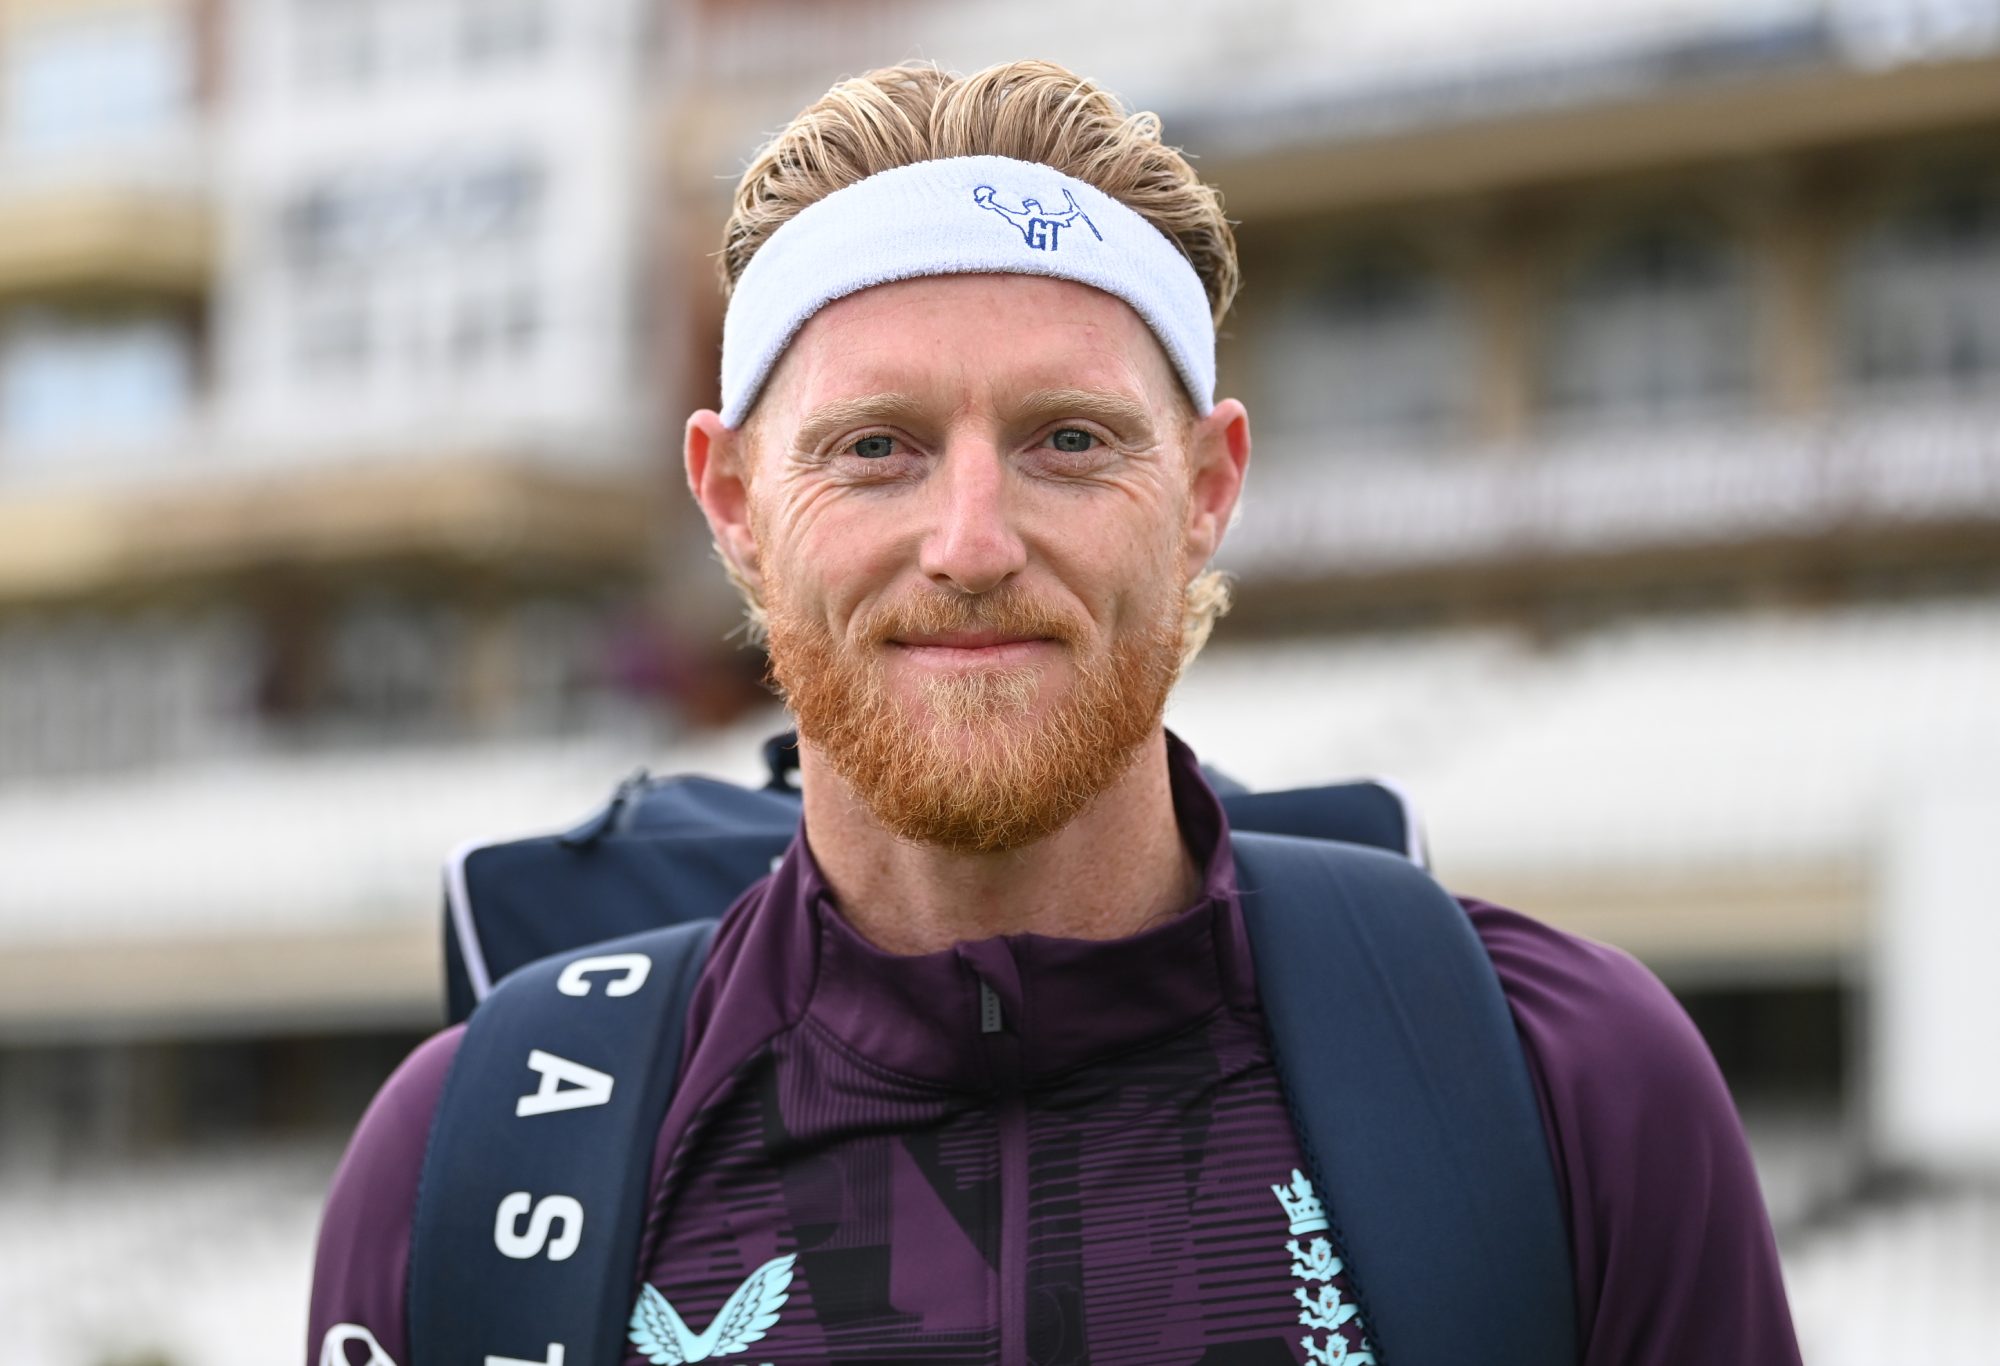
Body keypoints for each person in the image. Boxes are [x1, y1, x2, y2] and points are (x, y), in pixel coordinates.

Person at [310, 59, 1803, 1366]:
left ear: (1208, 489)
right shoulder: (473, 1157)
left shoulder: (1568, 1081)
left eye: (1069, 440)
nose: (971, 541)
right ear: (733, 502)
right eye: (876, 446)